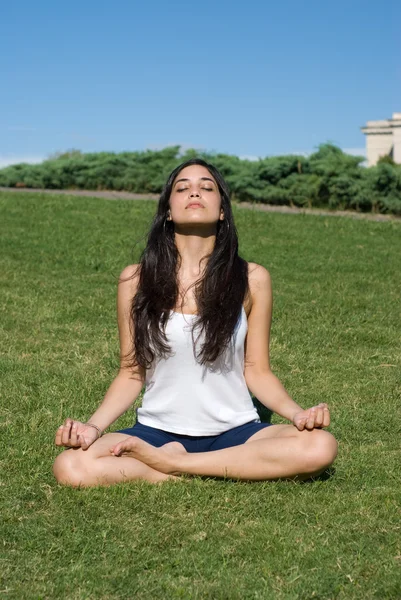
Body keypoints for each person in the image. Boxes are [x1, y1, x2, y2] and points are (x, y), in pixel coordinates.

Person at [53, 158, 338, 487]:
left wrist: (297, 414)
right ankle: (204, 465)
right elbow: (131, 372)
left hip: (237, 431)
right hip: (156, 433)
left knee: (320, 445)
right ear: (169, 211)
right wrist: (93, 427)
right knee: (70, 466)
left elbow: (257, 369)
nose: (195, 192)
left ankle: (175, 466)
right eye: (182, 187)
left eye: (207, 187)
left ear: (221, 211)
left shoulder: (252, 279)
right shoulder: (134, 280)